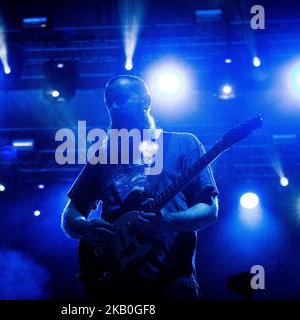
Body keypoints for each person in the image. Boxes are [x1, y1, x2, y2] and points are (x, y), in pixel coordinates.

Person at [61, 75, 219, 300]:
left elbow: (209, 210)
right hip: (113, 282)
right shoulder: (103, 158)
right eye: (109, 102)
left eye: (122, 99)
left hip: (171, 280)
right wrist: (83, 228)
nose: (114, 107)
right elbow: (71, 212)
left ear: (146, 101)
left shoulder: (183, 143)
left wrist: (169, 222)